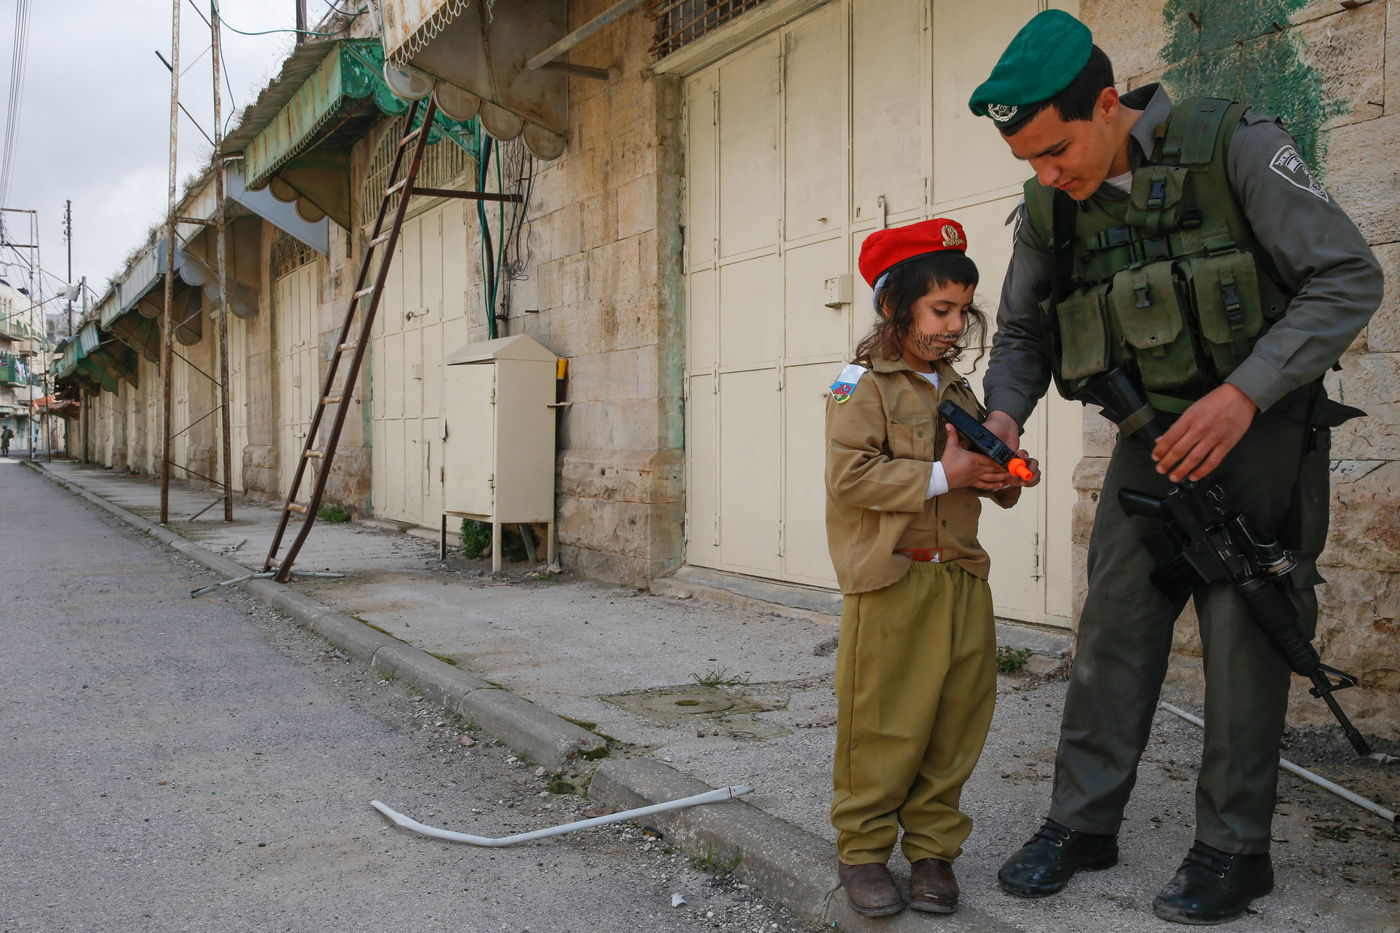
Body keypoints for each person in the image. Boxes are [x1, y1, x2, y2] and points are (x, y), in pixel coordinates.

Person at [966, 10, 1383, 925]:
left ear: (1109, 103)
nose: (1047, 175)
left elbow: (1348, 276)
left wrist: (1244, 393)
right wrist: (1000, 417)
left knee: (1243, 641)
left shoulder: (1234, 143)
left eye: (1056, 149)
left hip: (1258, 433)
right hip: (1146, 441)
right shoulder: (1048, 207)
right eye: (1027, 161)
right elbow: (1027, 331)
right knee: (1112, 628)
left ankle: (1235, 849)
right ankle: (1082, 823)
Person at [825, 217, 1040, 917]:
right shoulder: (860, 386)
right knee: (883, 722)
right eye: (940, 309)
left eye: (962, 310)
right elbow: (851, 478)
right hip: (894, 579)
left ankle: (932, 852)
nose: (954, 325)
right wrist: (944, 475)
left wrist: (1000, 475)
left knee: (955, 721)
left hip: (960, 578)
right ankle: (862, 850)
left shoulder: (958, 389)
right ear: (894, 306)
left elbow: (973, 473)